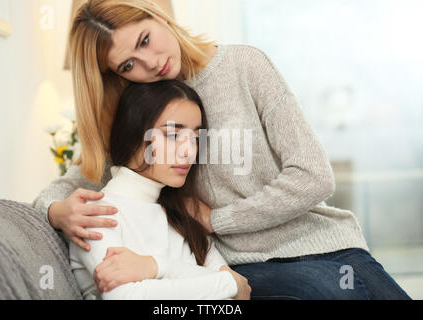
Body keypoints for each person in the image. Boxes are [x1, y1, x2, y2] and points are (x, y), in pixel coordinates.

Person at [33, 0, 411, 299]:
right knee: (332, 290)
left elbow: (314, 176)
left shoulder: (245, 65)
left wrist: (218, 220)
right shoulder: (138, 113)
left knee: (361, 284)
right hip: (240, 263)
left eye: (145, 40)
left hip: (324, 240)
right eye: (129, 63)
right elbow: (71, 182)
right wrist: (55, 210)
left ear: (158, 15)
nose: (151, 63)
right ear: (118, 75)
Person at [69, 79, 250, 300]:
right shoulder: (95, 213)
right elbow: (125, 298)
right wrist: (224, 283)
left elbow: (239, 293)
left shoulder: (183, 215)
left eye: (195, 138)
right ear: (131, 134)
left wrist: (155, 267)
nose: (189, 152)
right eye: (173, 135)